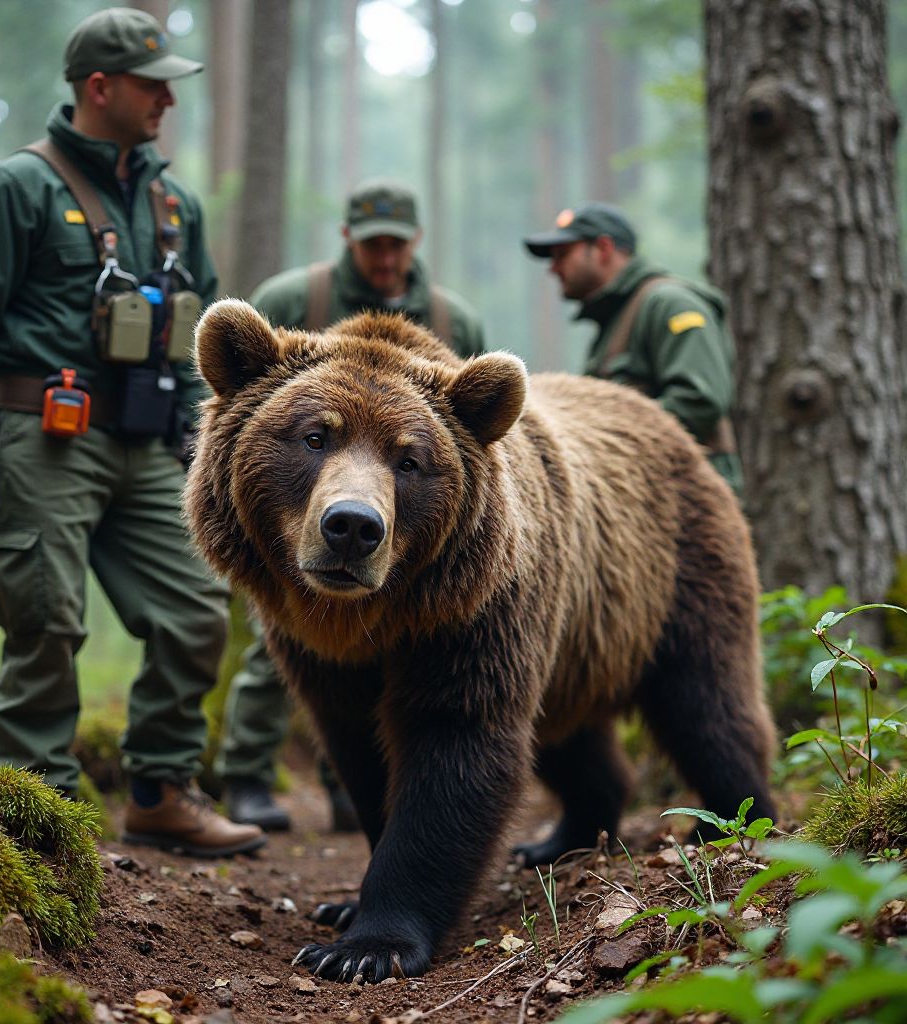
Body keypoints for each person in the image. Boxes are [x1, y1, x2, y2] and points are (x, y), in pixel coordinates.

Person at [0, 7, 264, 858]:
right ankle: (40, 819)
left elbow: (204, 342)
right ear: (99, 87)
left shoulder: (173, 202)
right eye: (153, 87)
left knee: (193, 609)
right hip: (47, 432)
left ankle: (160, 791)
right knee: (44, 615)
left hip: (152, 444)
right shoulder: (19, 187)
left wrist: (202, 442)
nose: (167, 104)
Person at [219, 179, 487, 832]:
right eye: (373, 245)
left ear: (415, 241)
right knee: (277, 651)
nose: (386, 257)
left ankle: (351, 791)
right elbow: (242, 391)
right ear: (348, 240)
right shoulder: (294, 299)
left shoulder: (453, 319)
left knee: (399, 665)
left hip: (390, 530)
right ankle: (248, 776)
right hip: (303, 515)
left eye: (397, 244)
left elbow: (474, 426)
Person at [522, 202, 743, 494]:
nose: (553, 268)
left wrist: (599, 440)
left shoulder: (671, 304)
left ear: (602, 249)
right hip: (648, 498)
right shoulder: (617, 317)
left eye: (563, 254)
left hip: (691, 504)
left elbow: (699, 401)